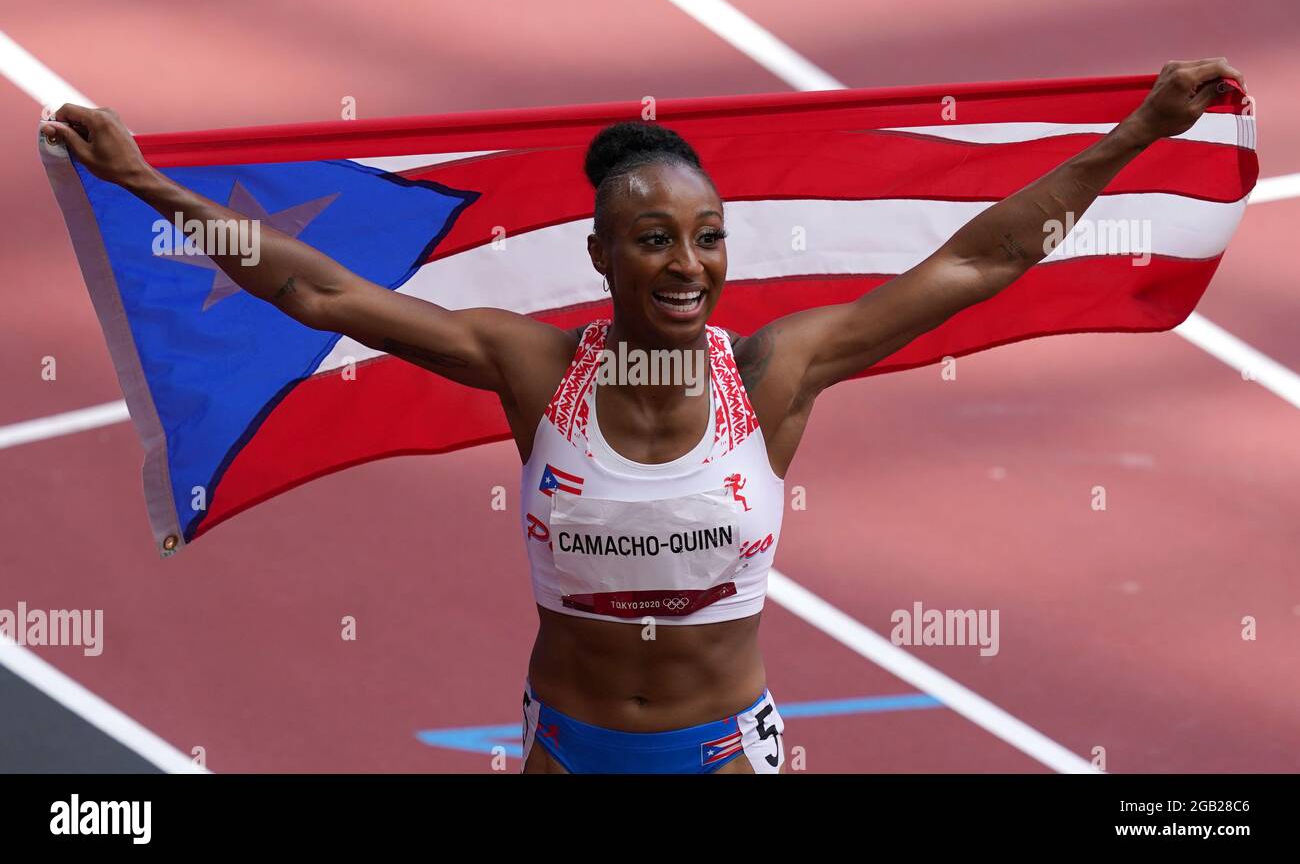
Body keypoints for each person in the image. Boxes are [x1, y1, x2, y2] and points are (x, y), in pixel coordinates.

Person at [42, 58, 1244, 774]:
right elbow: (315, 289)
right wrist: (143, 182)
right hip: (567, 749)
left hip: (721, 754)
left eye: (707, 238)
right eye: (656, 239)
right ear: (600, 252)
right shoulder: (532, 370)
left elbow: (977, 262)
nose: (688, 264)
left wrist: (1137, 134)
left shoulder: (775, 373)